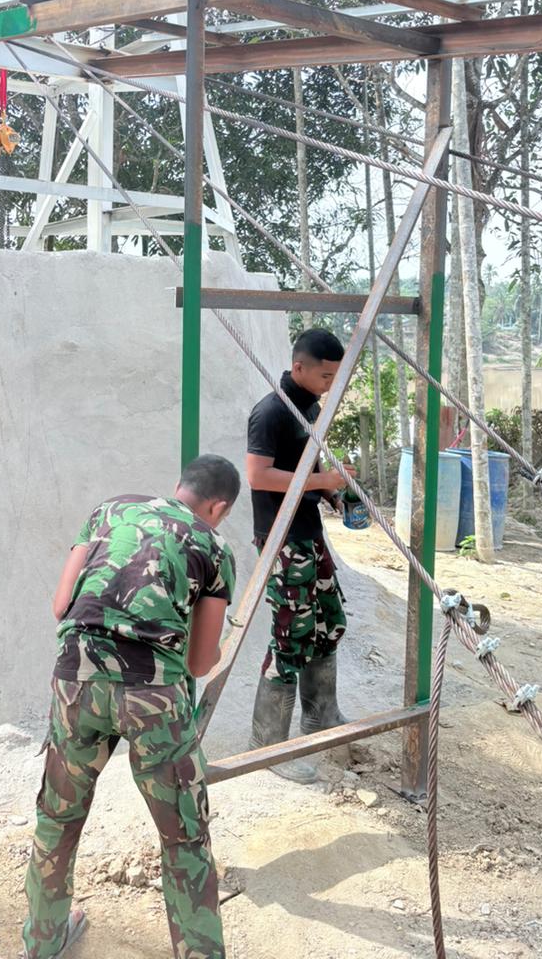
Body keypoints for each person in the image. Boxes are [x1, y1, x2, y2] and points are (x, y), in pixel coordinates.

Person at [22, 454, 240, 959]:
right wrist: (214, 646)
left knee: (58, 817)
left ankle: (43, 941)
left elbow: (61, 606)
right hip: (153, 696)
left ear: (177, 486)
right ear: (218, 506)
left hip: (75, 679)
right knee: (184, 837)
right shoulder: (212, 544)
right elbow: (200, 662)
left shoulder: (110, 511)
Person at [245, 327, 351, 784]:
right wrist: (321, 483)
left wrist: (328, 493)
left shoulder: (308, 405)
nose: (331, 383)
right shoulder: (270, 411)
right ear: (299, 367)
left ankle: (319, 716)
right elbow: (259, 476)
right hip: (282, 539)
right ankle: (267, 746)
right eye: (325, 375)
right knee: (290, 637)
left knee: (328, 623)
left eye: (335, 376)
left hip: (308, 532)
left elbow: (301, 467)